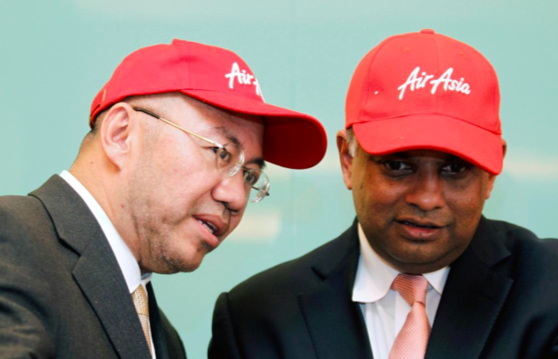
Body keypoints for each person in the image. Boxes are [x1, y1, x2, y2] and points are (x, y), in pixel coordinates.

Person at [209, 29, 558, 359]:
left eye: (455, 169)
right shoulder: (257, 318)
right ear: (348, 158)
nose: (427, 198)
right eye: (397, 165)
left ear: (492, 170)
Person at [0, 39, 327, 359]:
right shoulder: (11, 241)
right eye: (220, 153)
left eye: (250, 176)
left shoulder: (164, 338)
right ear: (120, 134)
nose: (236, 198)